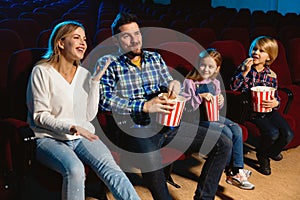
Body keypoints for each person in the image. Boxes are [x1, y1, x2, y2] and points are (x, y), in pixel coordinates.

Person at [96, 12, 232, 200]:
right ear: (117, 40)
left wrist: (173, 85)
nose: (134, 40)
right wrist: (143, 106)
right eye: (126, 36)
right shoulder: (108, 63)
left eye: (137, 34)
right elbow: (104, 101)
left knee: (222, 142)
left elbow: (169, 81)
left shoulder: (155, 58)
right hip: (135, 129)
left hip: (167, 124)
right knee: (152, 158)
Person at [26, 20, 140, 200]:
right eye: (76, 37)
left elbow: (88, 115)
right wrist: (71, 127)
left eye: (85, 39)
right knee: (75, 169)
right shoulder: (41, 71)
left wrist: (95, 82)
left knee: (112, 168)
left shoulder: (85, 74)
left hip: (81, 136)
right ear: (61, 43)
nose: (83, 43)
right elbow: (39, 116)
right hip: (48, 138)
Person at [183, 48, 254, 190]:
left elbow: (216, 105)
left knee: (236, 128)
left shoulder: (214, 82)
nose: (206, 69)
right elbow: (187, 109)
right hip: (196, 120)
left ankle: (237, 169)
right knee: (226, 132)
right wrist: (199, 97)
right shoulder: (190, 82)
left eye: (211, 66)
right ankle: (231, 172)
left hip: (213, 116)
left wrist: (220, 100)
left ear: (217, 68)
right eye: (203, 65)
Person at [230, 36, 294, 175]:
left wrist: (276, 102)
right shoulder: (244, 68)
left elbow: (275, 96)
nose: (256, 52)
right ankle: (263, 156)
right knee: (272, 133)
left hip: (268, 110)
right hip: (252, 111)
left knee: (288, 134)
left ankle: (271, 152)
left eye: (261, 51)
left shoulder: (271, 75)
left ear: (269, 57)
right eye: (254, 49)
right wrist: (244, 72)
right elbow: (233, 87)